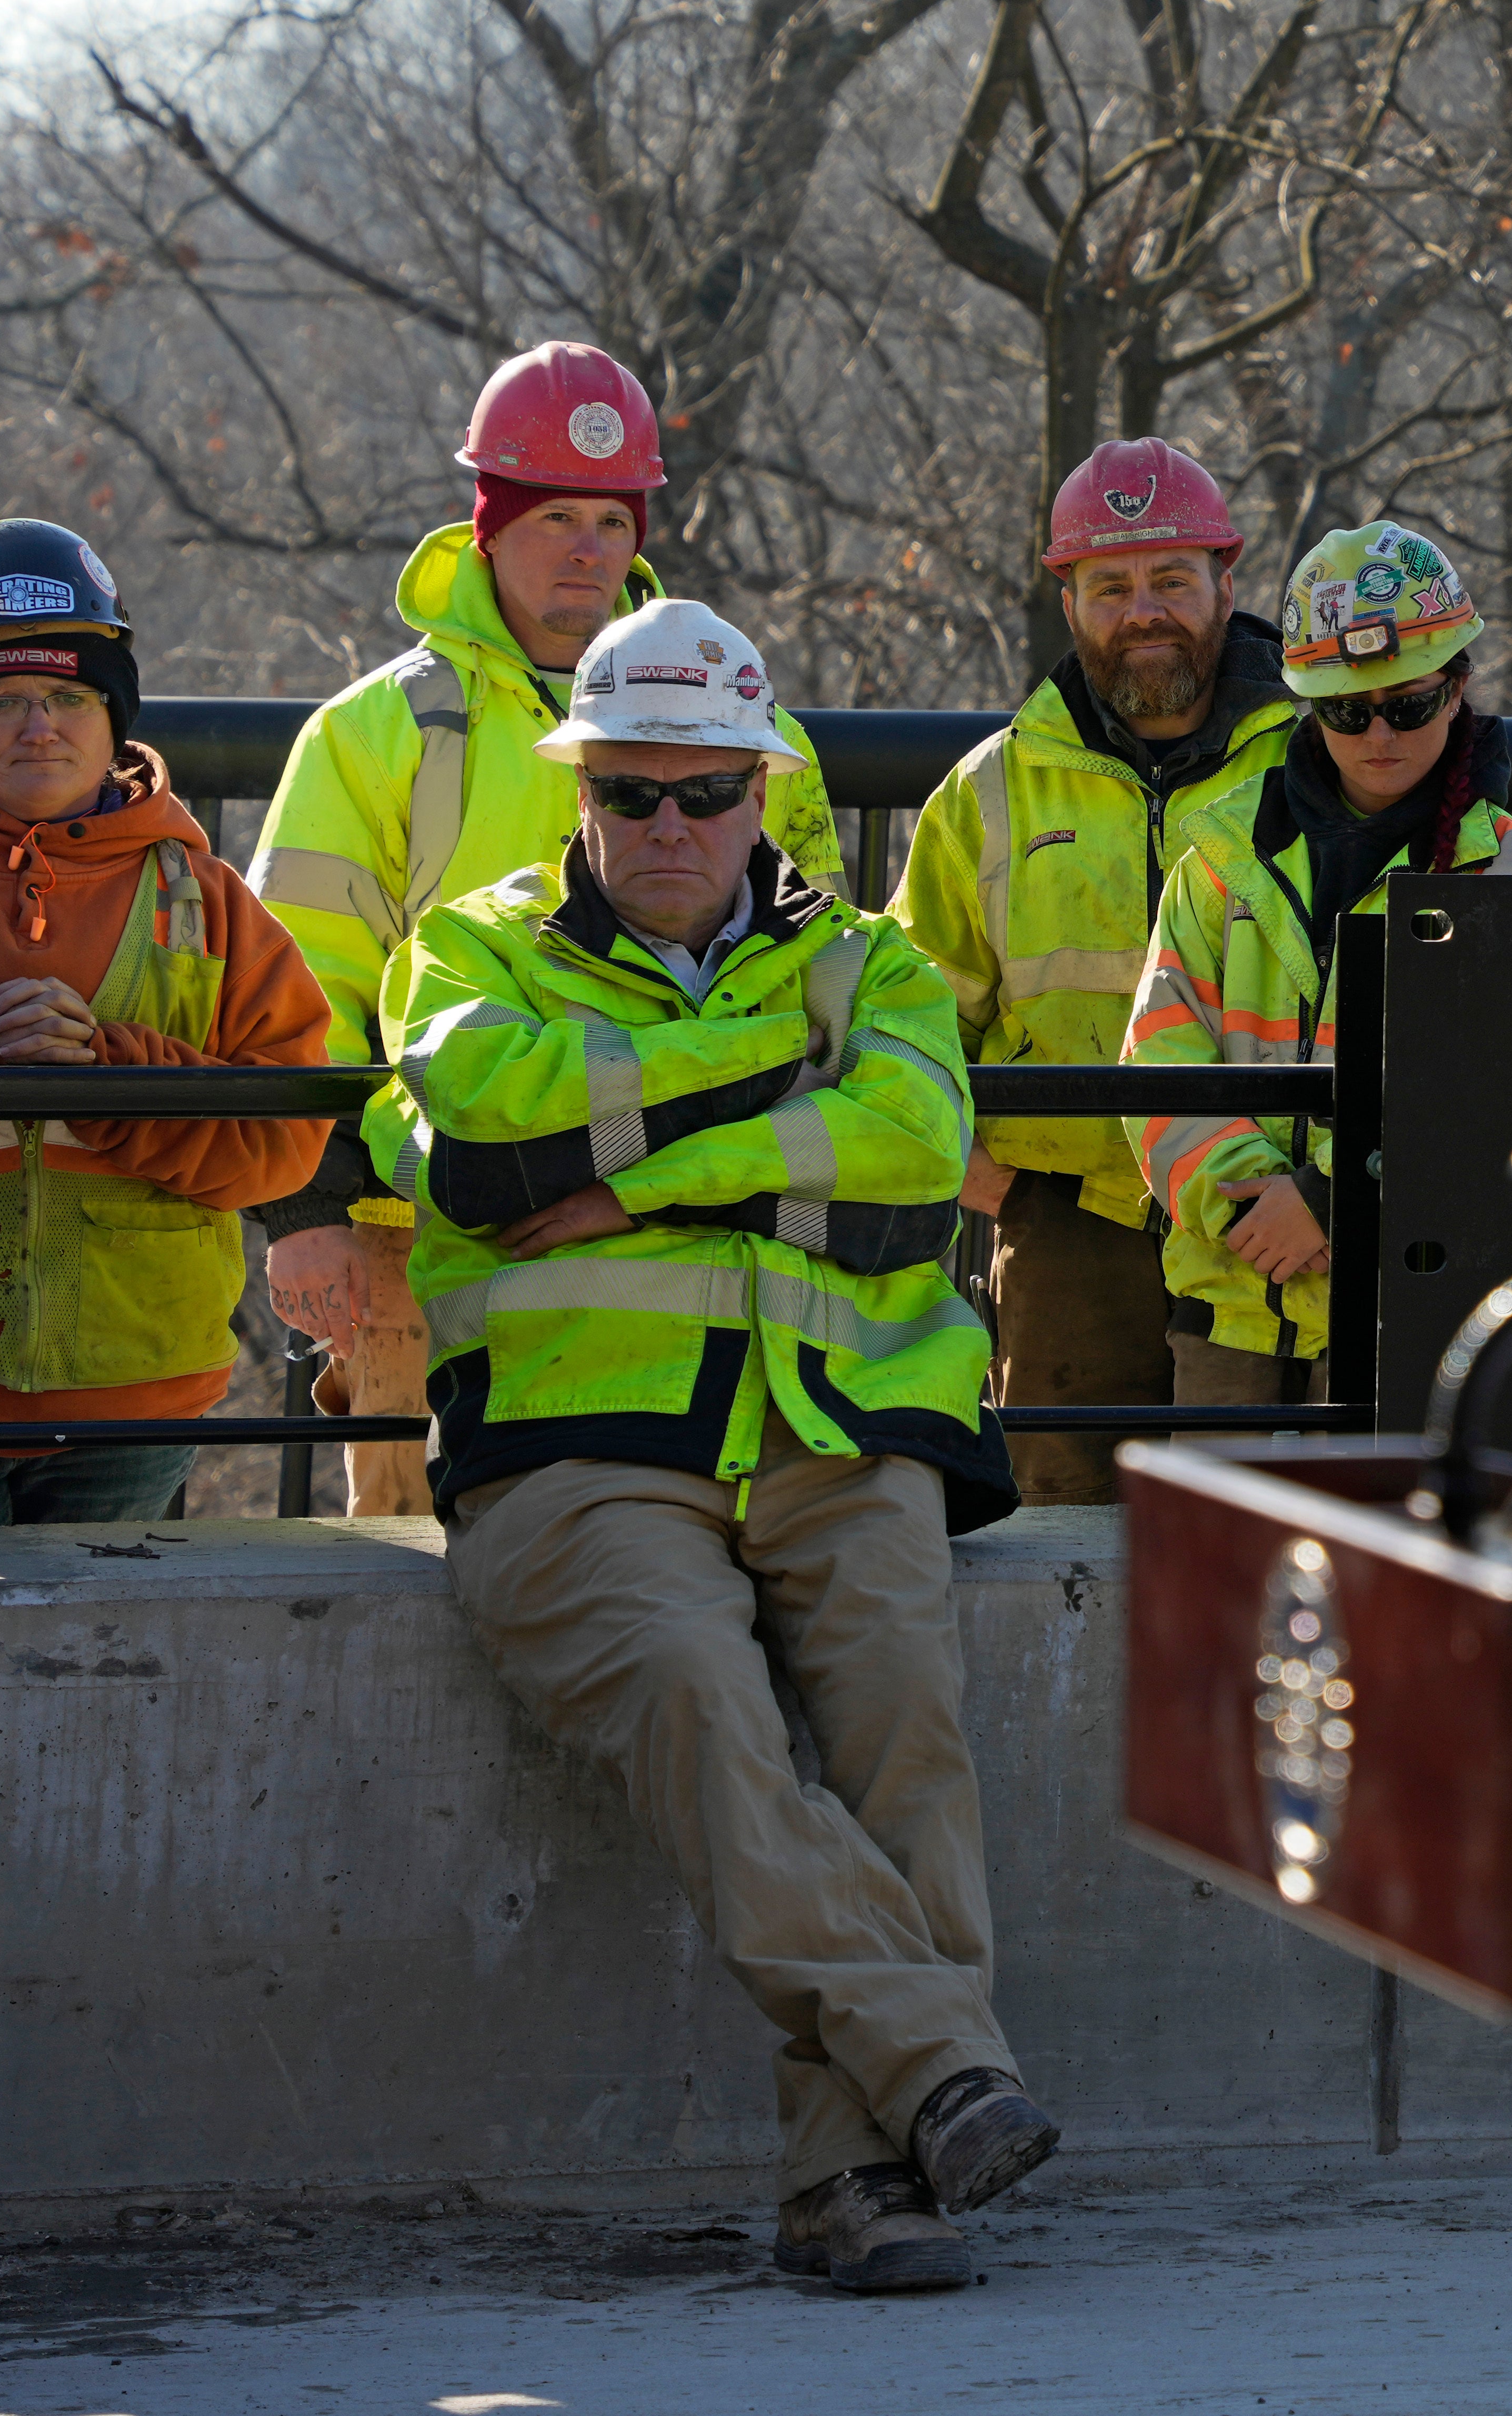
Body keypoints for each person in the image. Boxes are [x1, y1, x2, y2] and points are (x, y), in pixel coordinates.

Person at [363, 595, 1046, 2295]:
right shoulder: (472, 952)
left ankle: (856, 2184)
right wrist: (759, 1081)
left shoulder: (873, 964)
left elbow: (904, 1167)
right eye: (632, 795)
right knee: (695, 1690)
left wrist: (637, 1154)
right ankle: (943, 2068)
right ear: (581, 791)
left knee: (906, 1716)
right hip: (576, 1454)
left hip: (841, 1429)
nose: (670, 829)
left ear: (765, 792)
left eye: (707, 795)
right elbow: (486, 1143)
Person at [247, 344, 843, 1516]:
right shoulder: (372, 735)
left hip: (680, 1213)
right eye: (554, 515)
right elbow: (294, 990)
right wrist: (308, 1213)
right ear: (485, 526)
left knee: (669, 1544)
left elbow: (816, 976)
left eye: (613, 521)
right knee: (416, 1571)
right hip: (418, 1229)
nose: (587, 548)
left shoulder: (750, 735)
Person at [0, 521, 335, 1525]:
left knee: (114, 1673)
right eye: (1, 700)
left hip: (138, 1403)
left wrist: (109, 1073)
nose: (40, 727)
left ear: (116, 717)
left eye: (70, 697)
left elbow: (286, 1146)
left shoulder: (213, 905)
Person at [891, 440, 1290, 1503]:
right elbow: (904, 1012)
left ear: (1225, 584)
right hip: (1065, 1228)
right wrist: (991, 1182)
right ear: (1068, 601)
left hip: (1265, 1214)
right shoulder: (991, 791)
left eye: (1171, 579)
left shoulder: (1314, 764)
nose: (1143, 609)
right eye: (1110, 585)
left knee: (1247, 1541)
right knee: (1057, 1530)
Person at [1121, 521, 1512, 1405]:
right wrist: (1256, 1209)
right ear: (1306, 705)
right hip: (1235, 1297)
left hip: (1425, 1310)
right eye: (1346, 710)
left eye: (1409, 705)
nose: (1379, 734)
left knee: (1390, 1543)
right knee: (1225, 1542)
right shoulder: (1217, 856)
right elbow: (1158, 1062)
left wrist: (1330, 1200)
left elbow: (1511, 1108)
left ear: (1459, 687)